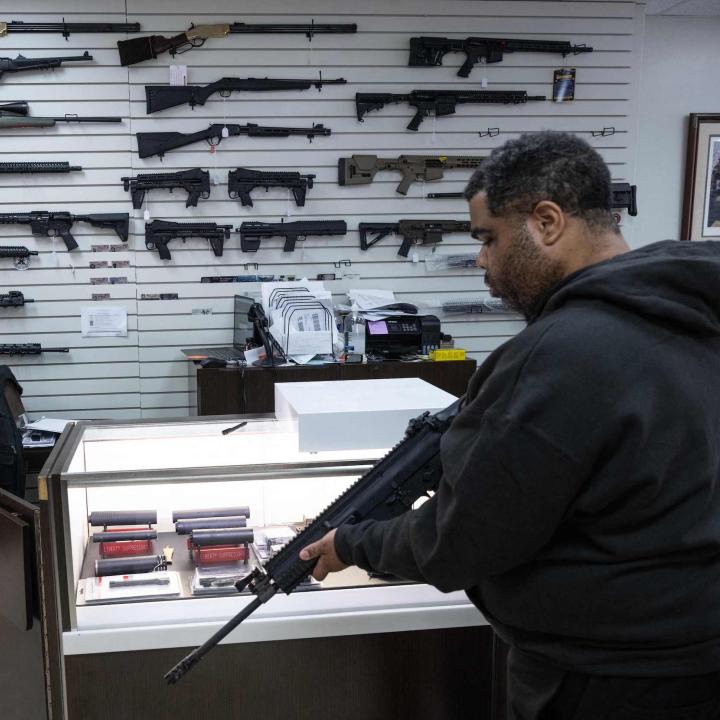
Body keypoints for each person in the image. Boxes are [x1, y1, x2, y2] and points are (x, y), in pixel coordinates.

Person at [299, 132, 720, 719]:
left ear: (546, 221)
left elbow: (461, 539)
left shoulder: (557, 354)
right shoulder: (694, 310)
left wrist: (352, 543)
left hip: (603, 678)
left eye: (488, 238)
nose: (481, 260)